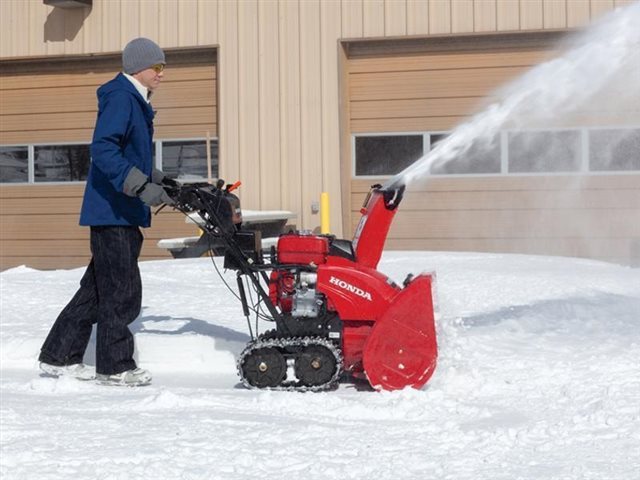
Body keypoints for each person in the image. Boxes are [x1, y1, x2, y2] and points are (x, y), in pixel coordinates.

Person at [38, 38, 176, 386]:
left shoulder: (134, 99)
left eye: (163, 66)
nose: (163, 73)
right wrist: (140, 186)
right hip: (113, 210)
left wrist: (159, 179)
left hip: (119, 210)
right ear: (138, 67)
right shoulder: (121, 96)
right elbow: (103, 149)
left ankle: (59, 357)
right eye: (157, 67)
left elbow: (129, 155)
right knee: (121, 290)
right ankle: (115, 366)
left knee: (97, 290)